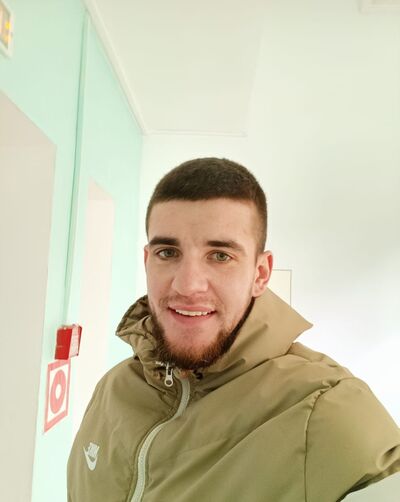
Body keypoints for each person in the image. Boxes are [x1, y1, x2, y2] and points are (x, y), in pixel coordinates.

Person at [68, 157, 400, 502]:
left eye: (220, 256)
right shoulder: (113, 389)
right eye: (168, 252)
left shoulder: (325, 409)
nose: (187, 285)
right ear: (147, 261)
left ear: (261, 274)